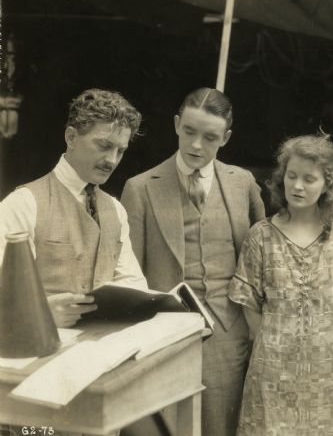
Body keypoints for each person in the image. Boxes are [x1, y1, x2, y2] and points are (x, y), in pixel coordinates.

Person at [120, 87, 265, 436]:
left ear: (226, 138)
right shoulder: (140, 188)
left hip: (228, 333)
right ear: (175, 125)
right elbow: (129, 274)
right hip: (165, 333)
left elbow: (263, 254)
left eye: (210, 137)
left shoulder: (242, 182)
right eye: (189, 132)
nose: (197, 145)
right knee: (169, 427)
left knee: (221, 426)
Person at [228, 134, 333, 436]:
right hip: (273, 369)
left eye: (309, 179)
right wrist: (277, 343)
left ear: (327, 185)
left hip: (331, 369)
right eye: (291, 176)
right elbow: (249, 306)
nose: (297, 186)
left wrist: (322, 336)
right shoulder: (261, 236)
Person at [0, 88, 147, 328]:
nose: (112, 160)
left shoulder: (116, 211)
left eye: (120, 151)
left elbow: (133, 286)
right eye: (103, 145)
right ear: (71, 137)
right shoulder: (23, 204)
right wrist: (41, 312)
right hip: (41, 353)